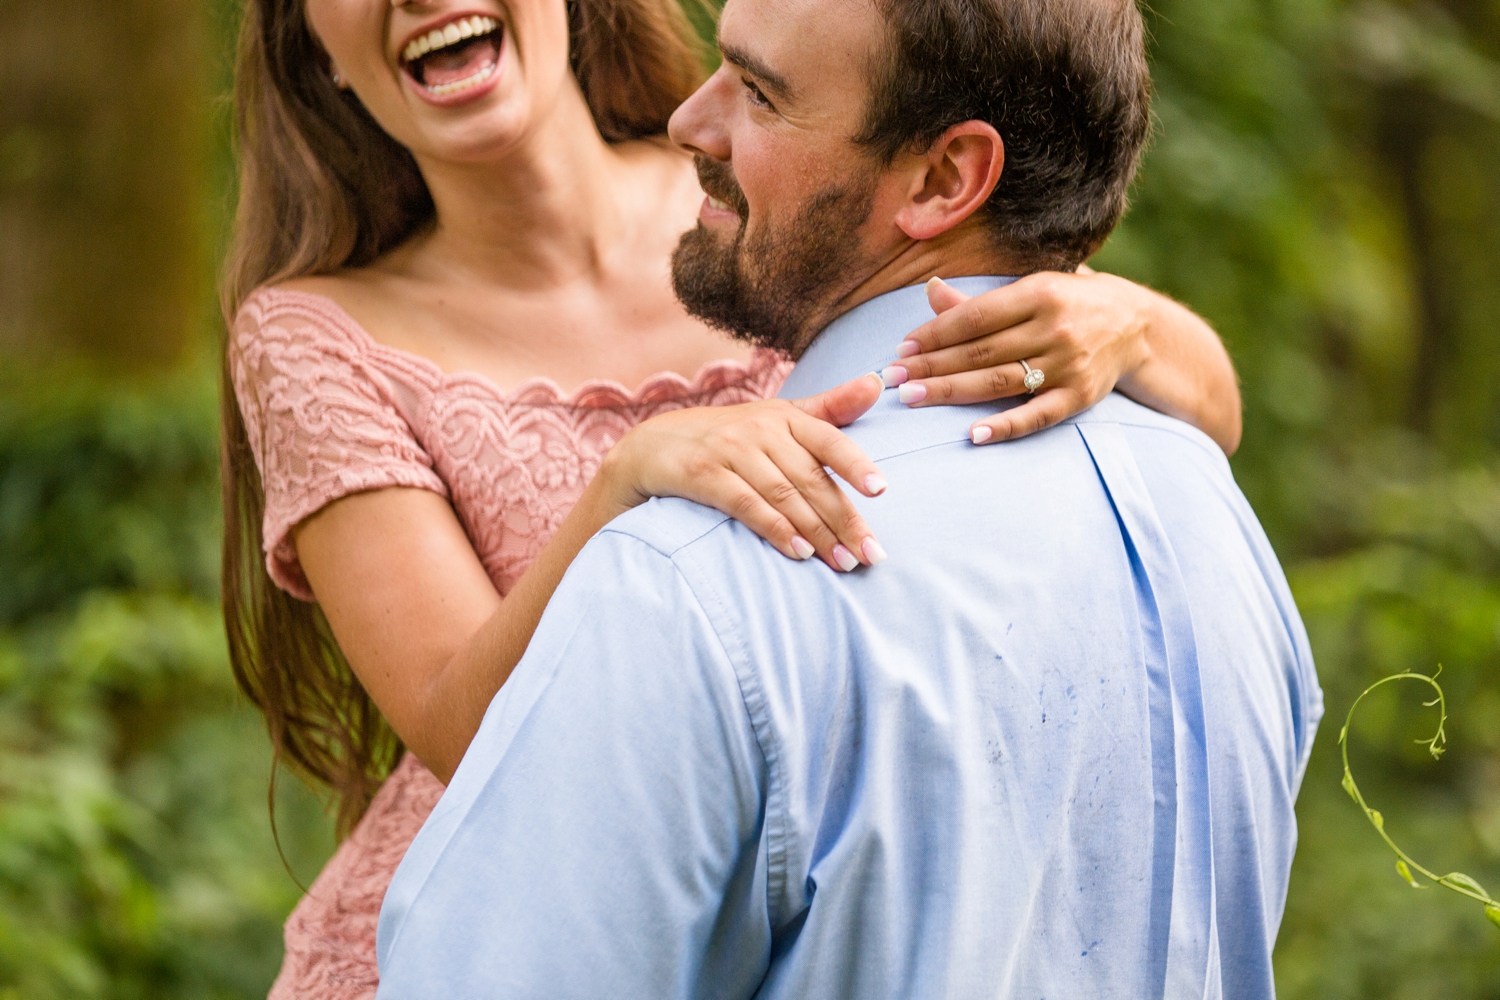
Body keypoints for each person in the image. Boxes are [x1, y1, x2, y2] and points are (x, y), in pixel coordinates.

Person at [222, 0, 1245, 994]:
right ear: (319, 51)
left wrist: (1126, 317)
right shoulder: (310, 337)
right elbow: (459, 728)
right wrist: (623, 485)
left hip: (801, 873)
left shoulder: (757, 190)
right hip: (492, 933)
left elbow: (1203, 406)